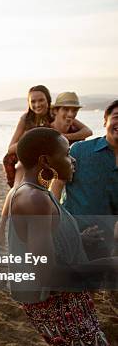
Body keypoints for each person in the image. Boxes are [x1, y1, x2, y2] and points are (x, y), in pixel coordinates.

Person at [7, 127, 118, 346]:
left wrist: (79, 239)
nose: (73, 160)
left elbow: (46, 240)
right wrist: (106, 266)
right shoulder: (33, 199)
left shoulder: (40, 193)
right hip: (56, 307)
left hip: (67, 301)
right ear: (46, 161)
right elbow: (46, 272)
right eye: (67, 154)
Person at [0, 87, 91, 245]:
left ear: (49, 101)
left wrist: (62, 138)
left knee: (55, 183)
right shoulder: (26, 119)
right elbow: (11, 147)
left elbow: (87, 131)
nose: (37, 104)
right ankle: (1, 227)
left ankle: (54, 220)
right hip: (29, 154)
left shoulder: (58, 115)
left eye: (41, 100)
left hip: (53, 152)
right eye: (33, 101)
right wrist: (30, 140)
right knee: (18, 186)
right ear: (28, 103)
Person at [51, 99, 118, 259]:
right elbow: (57, 186)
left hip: (110, 245)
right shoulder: (80, 150)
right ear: (105, 121)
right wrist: (55, 227)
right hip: (74, 238)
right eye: (116, 116)